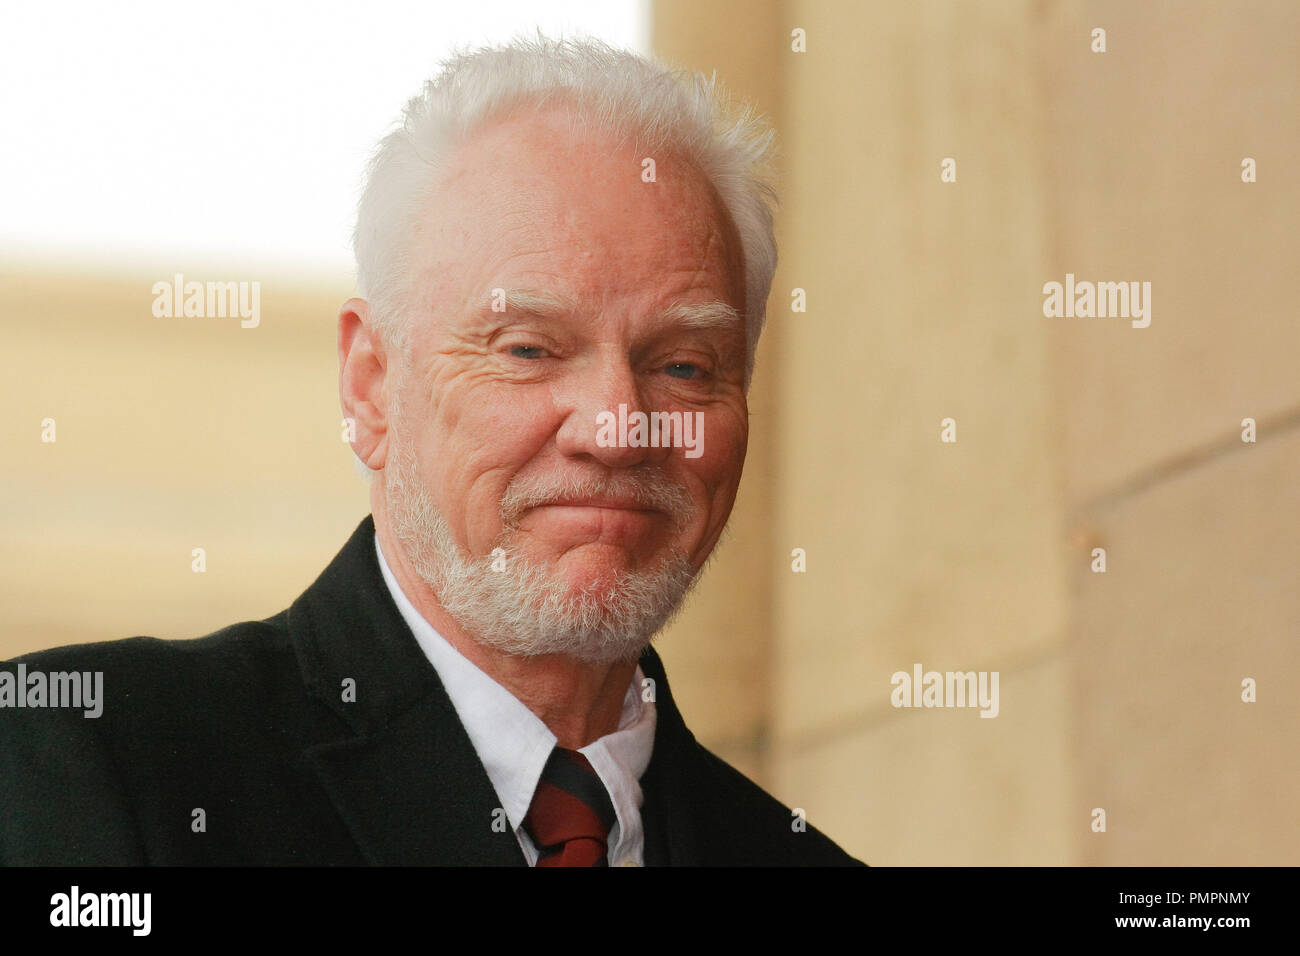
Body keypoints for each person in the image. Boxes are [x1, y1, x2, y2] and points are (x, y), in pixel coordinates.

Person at [0, 35, 860, 866]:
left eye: (682, 364)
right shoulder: (80, 773)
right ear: (370, 386)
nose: (617, 428)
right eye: (527, 349)